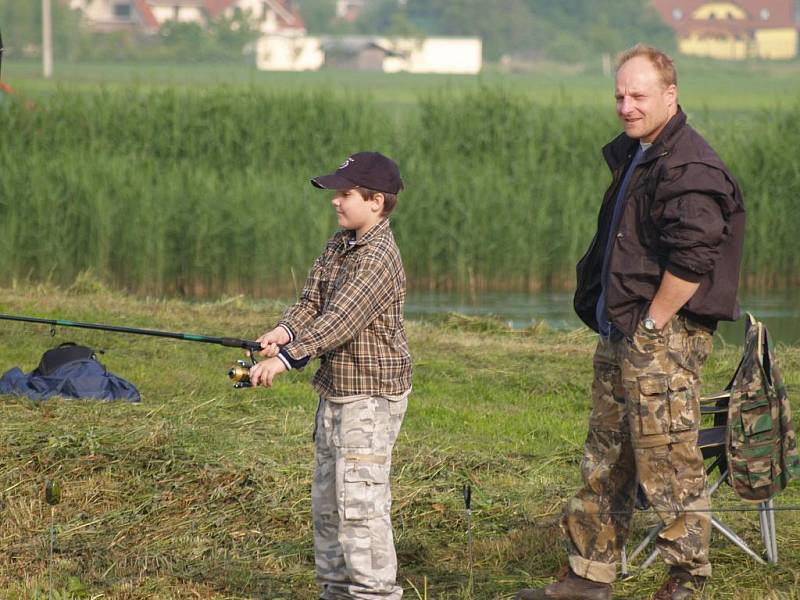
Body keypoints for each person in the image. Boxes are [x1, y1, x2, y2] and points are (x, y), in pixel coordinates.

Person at [515, 44, 745, 600]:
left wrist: (653, 325)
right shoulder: (641, 153)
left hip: (661, 339)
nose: (626, 105)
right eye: (620, 94)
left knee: (667, 460)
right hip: (621, 331)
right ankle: (588, 577)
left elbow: (695, 258)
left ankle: (686, 579)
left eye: (638, 94)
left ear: (671, 93)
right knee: (606, 457)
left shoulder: (690, 164)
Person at [249, 151, 412, 600]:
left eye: (344, 194)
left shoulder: (379, 256)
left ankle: (374, 594)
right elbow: (312, 304)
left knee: (360, 507)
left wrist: (287, 359)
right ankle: (337, 592)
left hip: (370, 398)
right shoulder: (339, 244)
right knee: (328, 505)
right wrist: (282, 332)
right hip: (335, 392)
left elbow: (340, 319)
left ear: (376, 201)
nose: (335, 202)